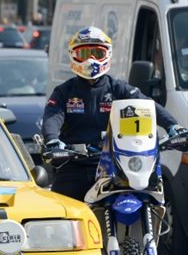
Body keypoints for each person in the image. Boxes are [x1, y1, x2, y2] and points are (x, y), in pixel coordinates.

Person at [42, 26, 186, 200]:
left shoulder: (118, 88)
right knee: (62, 213)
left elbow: (147, 105)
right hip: (74, 164)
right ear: (73, 55)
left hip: (114, 164)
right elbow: (52, 115)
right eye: (85, 54)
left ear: (107, 55)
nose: (91, 60)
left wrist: (173, 125)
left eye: (97, 53)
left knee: (148, 194)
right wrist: (52, 140)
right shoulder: (64, 91)